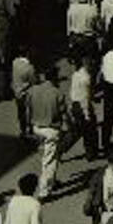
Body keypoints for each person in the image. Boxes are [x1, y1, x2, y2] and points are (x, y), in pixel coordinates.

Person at [26, 67, 69, 197]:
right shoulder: (57, 93)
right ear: (55, 78)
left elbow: (28, 110)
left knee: (48, 156)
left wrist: (28, 127)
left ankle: (52, 181)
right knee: (50, 161)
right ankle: (44, 191)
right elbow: (64, 114)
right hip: (51, 130)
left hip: (37, 127)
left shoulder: (33, 91)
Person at [67, 49, 99, 162]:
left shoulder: (75, 74)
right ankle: (91, 153)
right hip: (83, 107)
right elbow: (85, 97)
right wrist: (87, 114)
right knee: (90, 131)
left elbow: (73, 92)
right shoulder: (86, 78)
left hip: (75, 104)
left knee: (77, 131)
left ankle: (62, 148)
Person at [11, 55, 37, 139]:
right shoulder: (29, 68)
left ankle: (22, 129)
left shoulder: (14, 62)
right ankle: (30, 129)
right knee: (29, 111)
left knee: (20, 112)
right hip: (26, 92)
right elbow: (33, 81)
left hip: (17, 91)